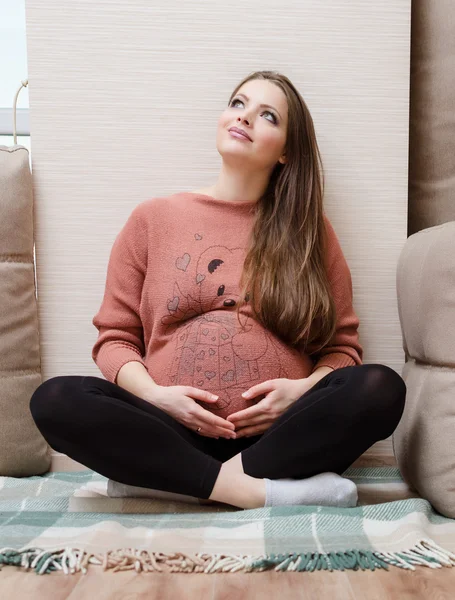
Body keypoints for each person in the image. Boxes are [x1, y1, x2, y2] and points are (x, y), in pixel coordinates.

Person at [29, 70, 406, 510]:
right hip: (169, 428)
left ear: (286, 151)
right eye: (238, 103)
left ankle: (171, 480)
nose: (244, 117)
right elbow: (114, 340)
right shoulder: (153, 219)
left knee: (381, 387)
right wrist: (155, 396)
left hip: (279, 435)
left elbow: (343, 350)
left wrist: (299, 392)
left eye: (267, 115)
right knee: (56, 399)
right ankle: (257, 493)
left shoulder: (309, 232)